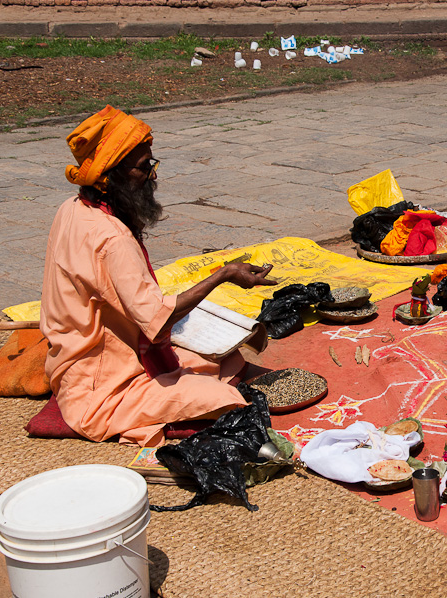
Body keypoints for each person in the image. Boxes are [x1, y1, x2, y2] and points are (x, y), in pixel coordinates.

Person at [40, 105, 276, 447]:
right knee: (225, 399)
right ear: (110, 176)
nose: (152, 176)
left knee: (226, 359)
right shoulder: (113, 240)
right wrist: (224, 274)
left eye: (152, 165)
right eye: (143, 167)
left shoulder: (72, 208)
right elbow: (157, 320)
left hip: (81, 360)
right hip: (100, 386)